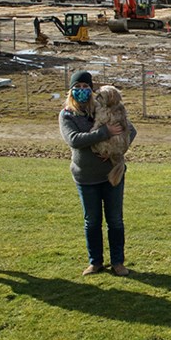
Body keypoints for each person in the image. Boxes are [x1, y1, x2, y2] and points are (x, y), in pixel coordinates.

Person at [60, 70, 137, 277]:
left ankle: (118, 262)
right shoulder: (67, 114)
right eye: (77, 88)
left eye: (86, 87)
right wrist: (104, 134)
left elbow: (131, 129)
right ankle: (95, 262)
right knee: (92, 221)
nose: (82, 91)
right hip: (85, 177)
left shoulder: (102, 108)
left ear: (92, 90)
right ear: (71, 91)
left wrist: (116, 149)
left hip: (111, 174)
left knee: (115, 220)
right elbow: (75, 140)